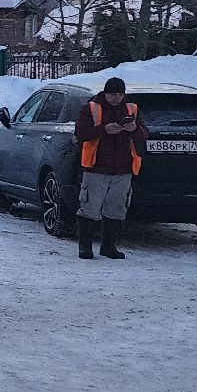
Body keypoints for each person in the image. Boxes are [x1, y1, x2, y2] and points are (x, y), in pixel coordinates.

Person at [72, 75, 146, 260]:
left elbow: (144, 134)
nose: (116, 98)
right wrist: (103, 129)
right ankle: (85, 248)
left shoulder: (132, 109)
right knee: (89, 208)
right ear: (105, 93)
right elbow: (80, 133)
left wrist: (133, 130)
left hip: (124, 168)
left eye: (120, 94)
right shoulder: (91, 108)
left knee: (116, 209)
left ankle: (109, 246)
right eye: (112, 94)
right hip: (96, 167)